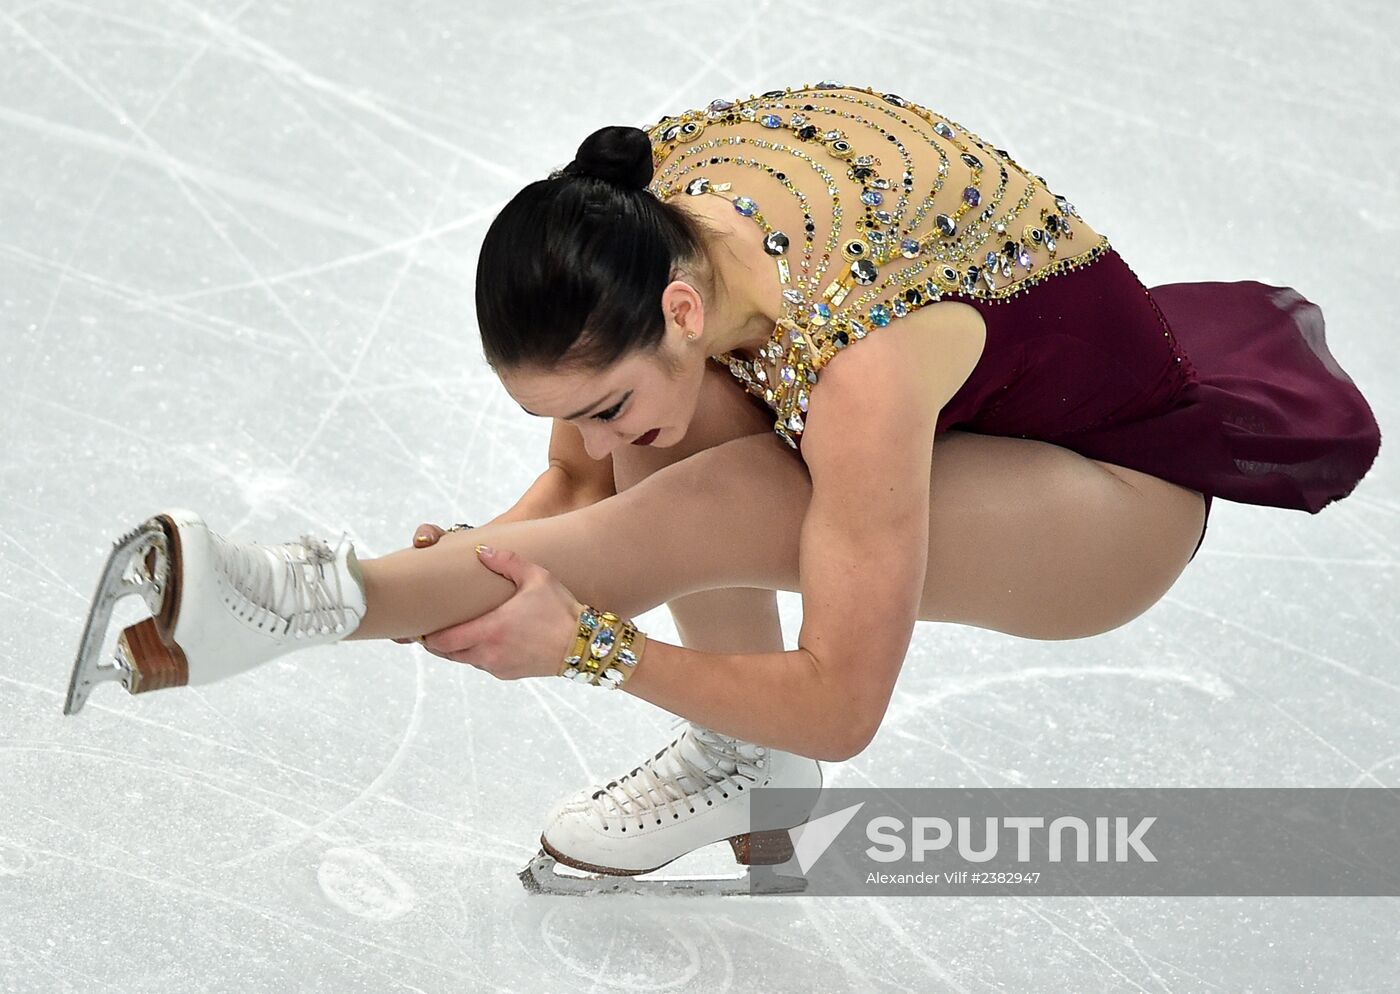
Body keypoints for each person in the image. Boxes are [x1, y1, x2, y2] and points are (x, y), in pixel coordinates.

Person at [67, 83, 1381, 892]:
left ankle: (297, 603)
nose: (578, 431)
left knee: (734, 490)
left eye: (593, 392)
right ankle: (309, 607)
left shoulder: (858, 365)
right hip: (969, 429)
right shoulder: (647, 221)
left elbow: (845, 706)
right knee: (660, 441)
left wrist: (591, 645)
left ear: (683, 305)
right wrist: (495, 548)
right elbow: (583, 479)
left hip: (1118, 501)